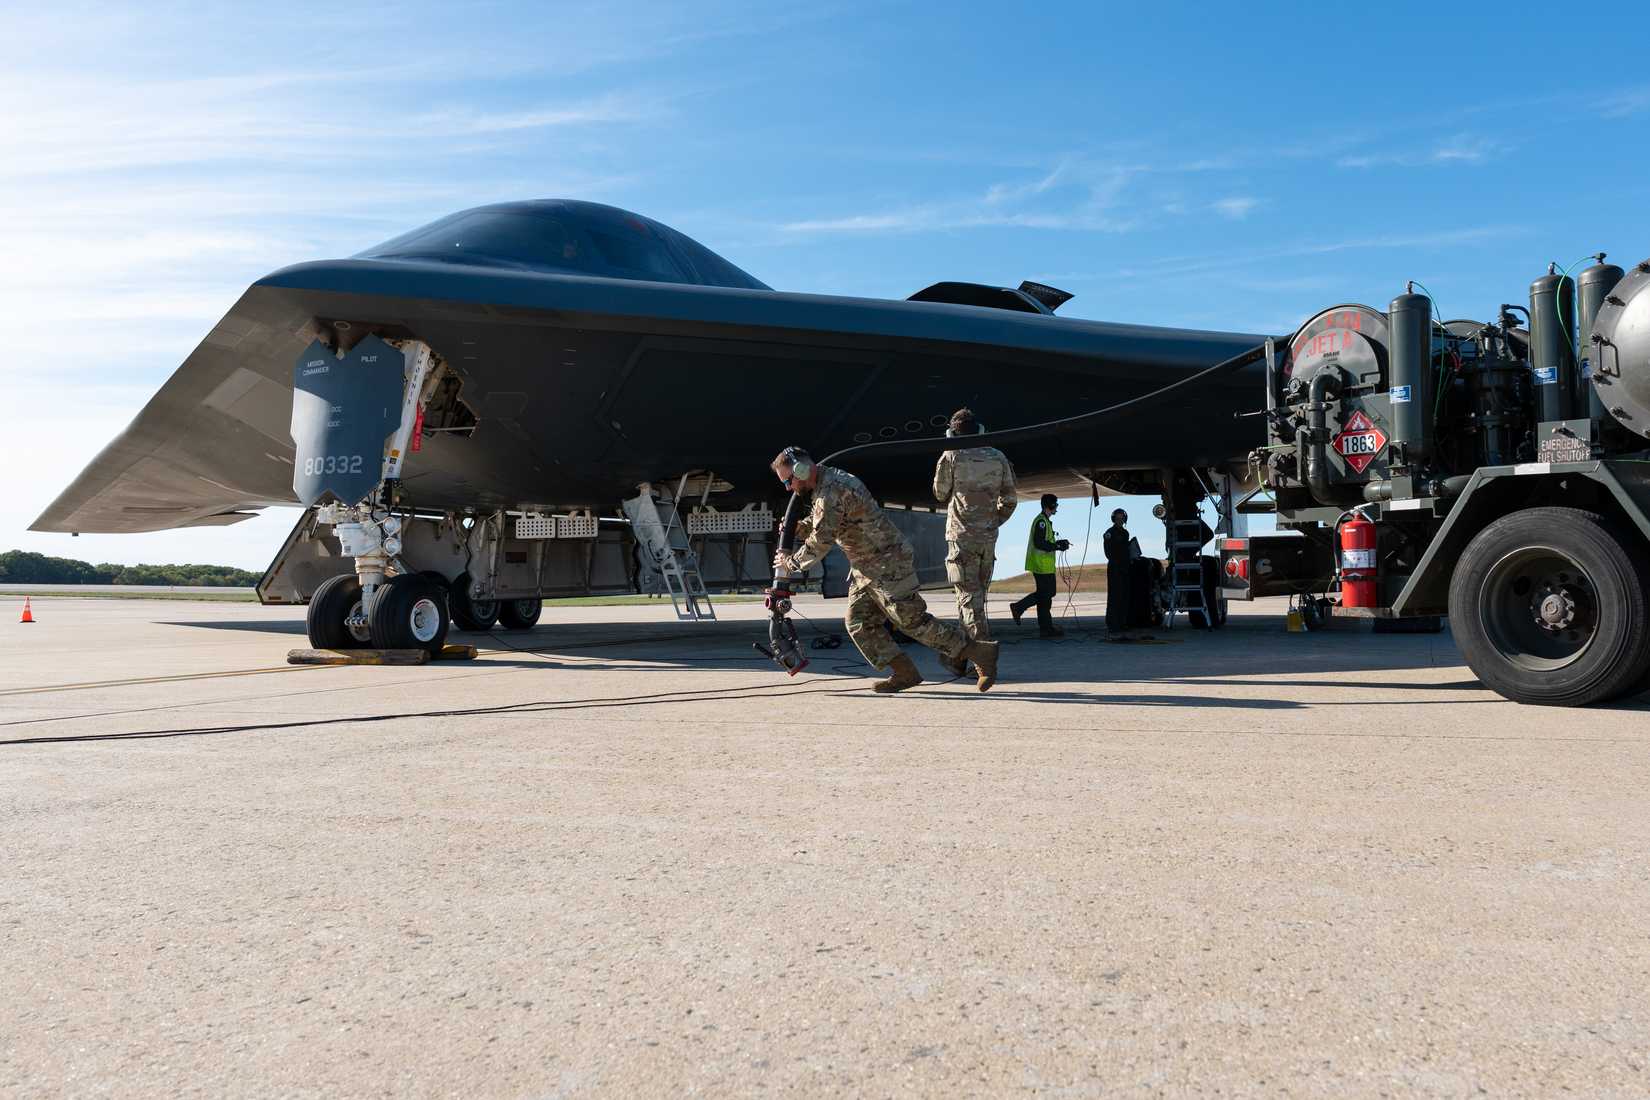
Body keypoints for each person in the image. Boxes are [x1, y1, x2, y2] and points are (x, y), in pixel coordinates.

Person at [770, 446, 1000, 693]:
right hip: (866, 567)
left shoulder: (832, 489)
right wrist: (800, 527)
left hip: (887, 561)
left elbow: (822, 539)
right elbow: (829, 521)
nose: (788, 488)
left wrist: (789, 563)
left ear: (801, 470)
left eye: (788, 481)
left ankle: (980, 653)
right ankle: (905, 673)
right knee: (859, 623)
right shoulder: (824, 486)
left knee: (912, 621)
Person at [932, 408, 1018, 642]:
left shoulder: (952, 455)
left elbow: (940, 493)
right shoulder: (998, 457)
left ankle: (981, 653)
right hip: (987, 538)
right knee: (976, 597)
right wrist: (992, 522)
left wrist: (949, 448)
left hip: (961, 537)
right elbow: (1010, 500)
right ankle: (963, 650)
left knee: (969, 597)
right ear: (980, 430)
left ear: (952, 433)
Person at [1010, 494, 1069, 637]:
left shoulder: (1045, 521)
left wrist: (1058, 543)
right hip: (1040, 565)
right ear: (1050, 505)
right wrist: (1057, 546)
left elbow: (1045, 541)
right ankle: (1019, 607)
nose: (1056, 507)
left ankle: (1045, 628)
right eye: (1055, 504)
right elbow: (1039, 543)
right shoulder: (1041, 522)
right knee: (1045, 594)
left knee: (1047, 595)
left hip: (1045, 565)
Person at [1102, 508, 1133, 632]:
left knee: (1124, 596)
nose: (1120, 521)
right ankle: (1112, 623)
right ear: (1114, 519)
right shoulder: (1109, 533)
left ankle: (1122, 622)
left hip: (1125, 568)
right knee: (1114, 596)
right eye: (1117, 518)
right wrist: (1118, 561)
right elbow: (1108, 553)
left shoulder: (1125, 533)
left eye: (1122, 518)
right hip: (1115, 568)